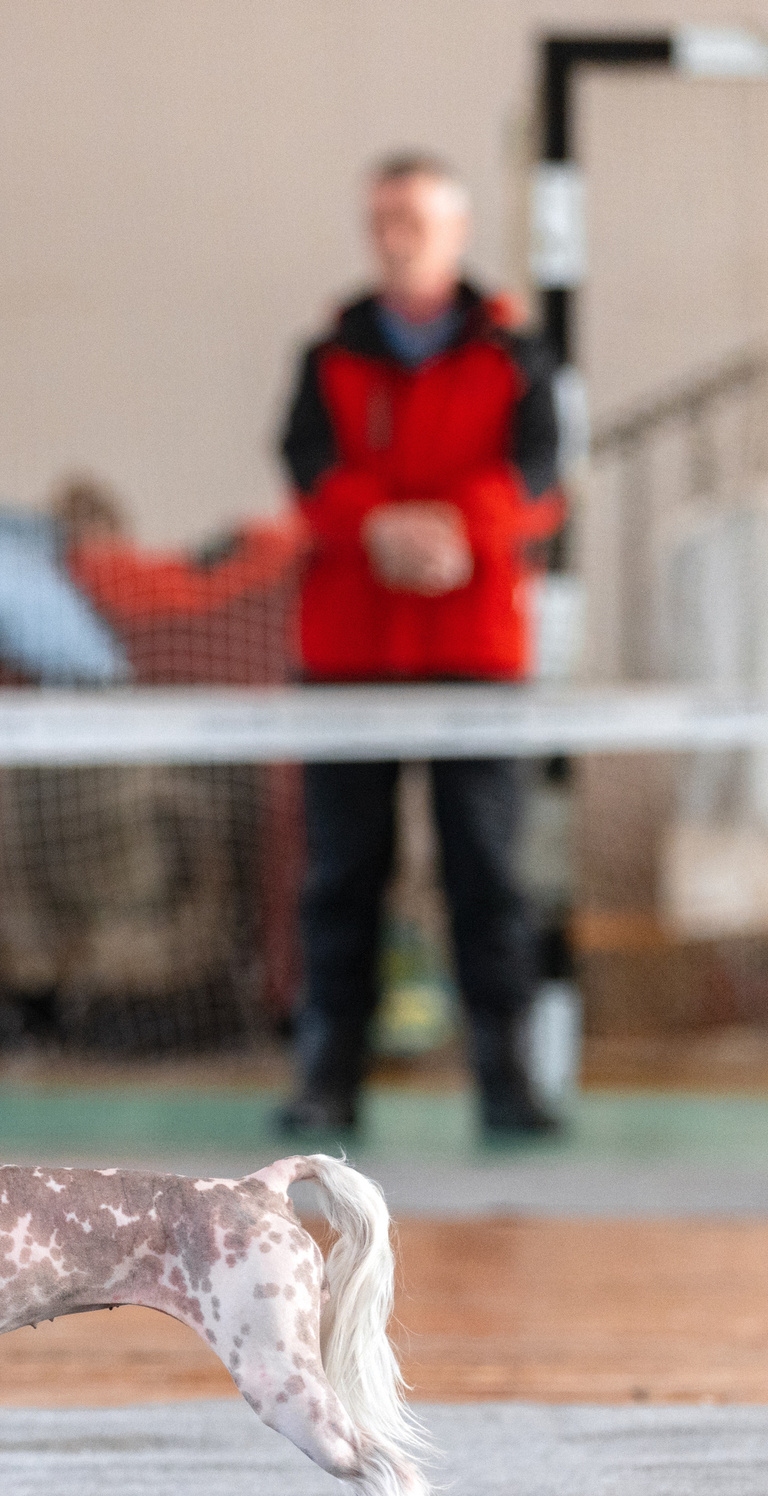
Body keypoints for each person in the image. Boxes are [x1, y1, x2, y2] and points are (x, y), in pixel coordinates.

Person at [275, 152, 563, 1138]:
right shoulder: (328, 352)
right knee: (340, 876)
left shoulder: (512, 352)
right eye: (382, 216)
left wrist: (450, 529)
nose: (396, 233)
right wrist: (379, 527)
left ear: (455, 228)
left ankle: (506, 1083)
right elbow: (307, 469)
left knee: (489, 871)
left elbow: (536, 478)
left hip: (473, 651)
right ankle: (326, 1081)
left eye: (415, 217)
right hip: (347, 654)